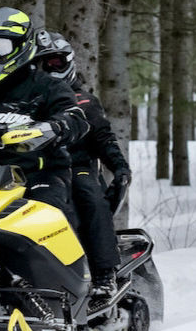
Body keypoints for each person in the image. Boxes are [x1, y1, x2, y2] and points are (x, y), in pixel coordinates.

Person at [0, 7, 89, 220]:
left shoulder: (48, 87)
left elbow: (76, 117)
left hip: (38, 175)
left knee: (45, 218)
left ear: (22, 46)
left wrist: (55, 127)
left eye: (0, 48)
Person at [33, 29, 132, 306]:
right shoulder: (30, 100)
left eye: (56, 62)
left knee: (89, 196)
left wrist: (121, 168)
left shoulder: (85, 101)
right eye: (44, 63)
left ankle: (104, 274)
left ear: (69, 62)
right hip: (37, 168)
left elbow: (104, 139)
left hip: (77, 166)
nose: (50, 68)